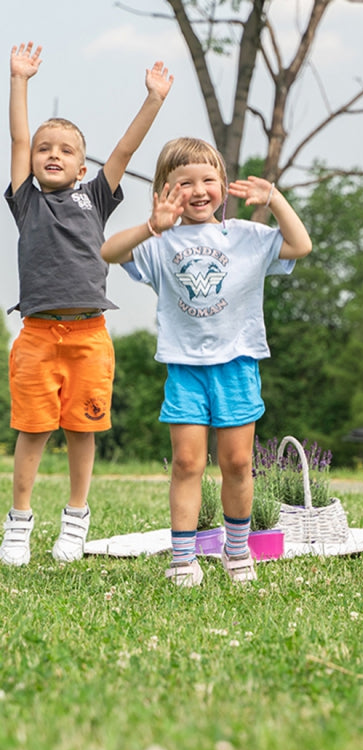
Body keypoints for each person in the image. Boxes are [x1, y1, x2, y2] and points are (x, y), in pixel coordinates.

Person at [100, 137, 312, 586]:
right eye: (184, 183)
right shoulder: (160, 243)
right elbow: (109, 252)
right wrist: (150, 226)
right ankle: (183, 558)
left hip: (237, 365)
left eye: (207, 180)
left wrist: (274, 200)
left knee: (237, 463)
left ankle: (237, 552)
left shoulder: (246, 237)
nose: (198, 191)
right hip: (184, 370)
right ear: (164, 191)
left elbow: (300, 245)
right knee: (187, 464)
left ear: (223, 184)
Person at [0, 42, 174, 567]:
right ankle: (19, 523)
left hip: (88, 335)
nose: (52, 153)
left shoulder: (93, 197)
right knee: (32, 431)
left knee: (83, 429)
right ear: (31, 162)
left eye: (66, 149)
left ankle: (75, 519)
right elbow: (18, 135)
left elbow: (122, 151)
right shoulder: (25, 199)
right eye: (44, 148)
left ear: (80, 167)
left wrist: (154, 100)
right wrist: (20, 80)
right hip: (36, 334)